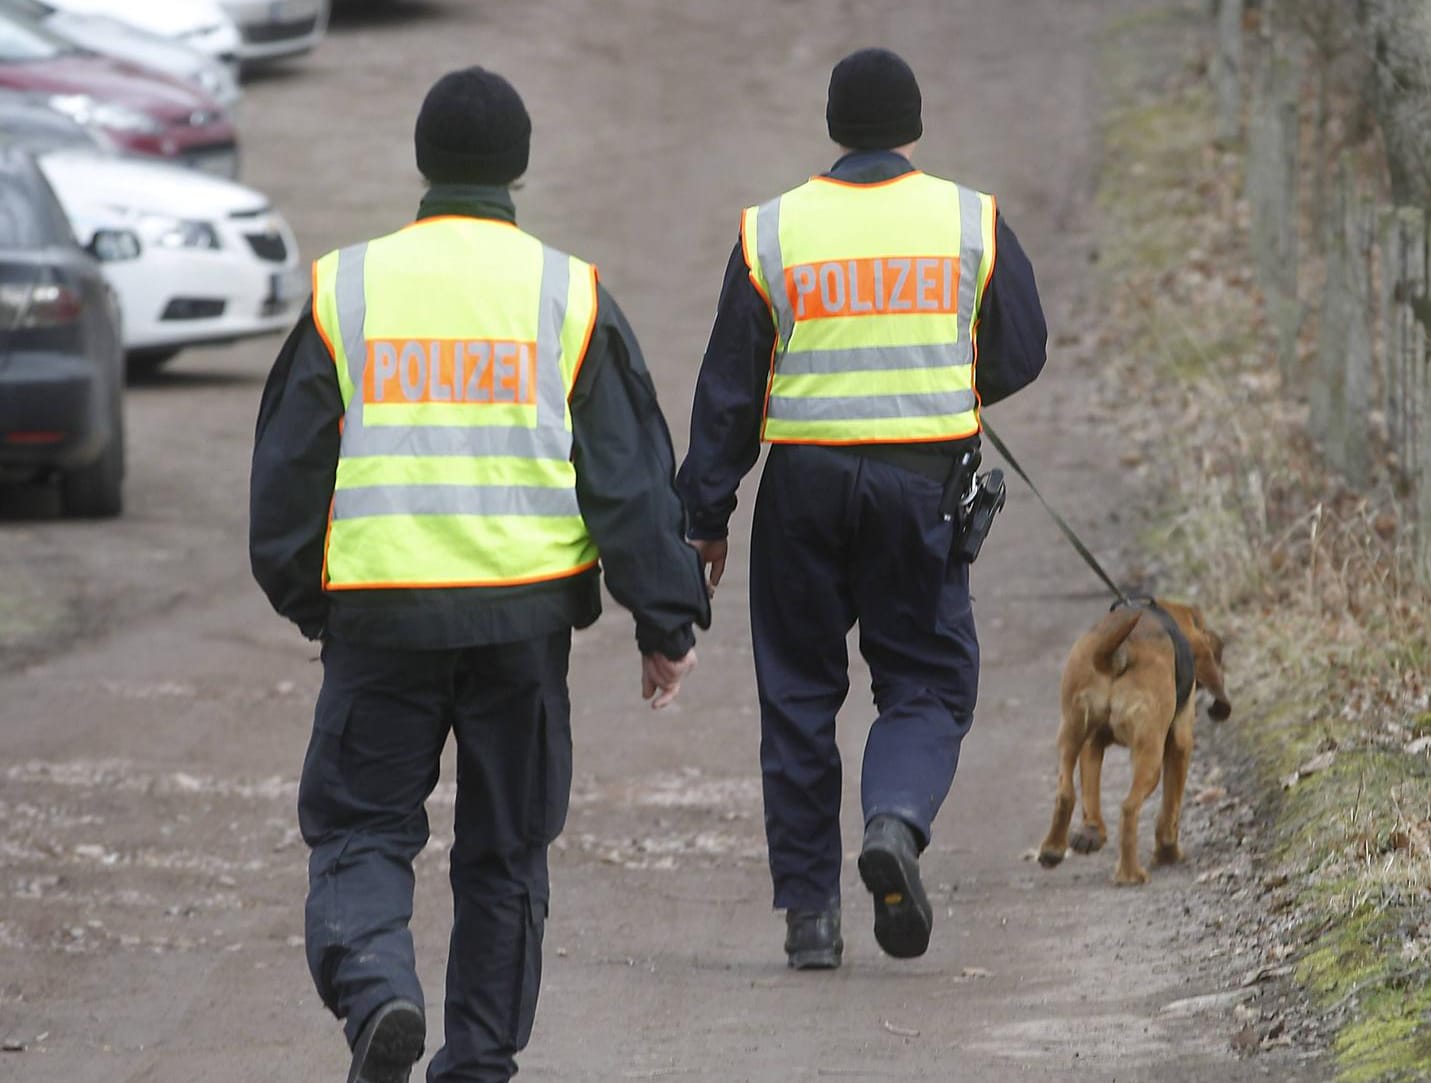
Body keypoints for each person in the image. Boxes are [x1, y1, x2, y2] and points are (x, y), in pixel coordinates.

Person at [249, 67, 709, 1083]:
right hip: (522, 631)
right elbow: (629, 484)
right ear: (518, 168)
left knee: (361, 833)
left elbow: (285, 477)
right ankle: (478, 1065)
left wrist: (308, 599)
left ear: (425, 164)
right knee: (505, 858)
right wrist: (666, 620)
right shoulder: (566, 293)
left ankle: (380, 993)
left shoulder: (347, 290)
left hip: (378, 625)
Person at [676, 47, 1048, 970]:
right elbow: (1022, 348)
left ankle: (809, 916)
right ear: (913, 126)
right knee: (925, 681)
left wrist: (706, 514)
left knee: (799, 693)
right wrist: (945, 388)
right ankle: (894, 821)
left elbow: (730, 386)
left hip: (803, 488)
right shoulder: (971, 220)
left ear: (835, 129)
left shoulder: (774, 230)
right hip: (921, 487)